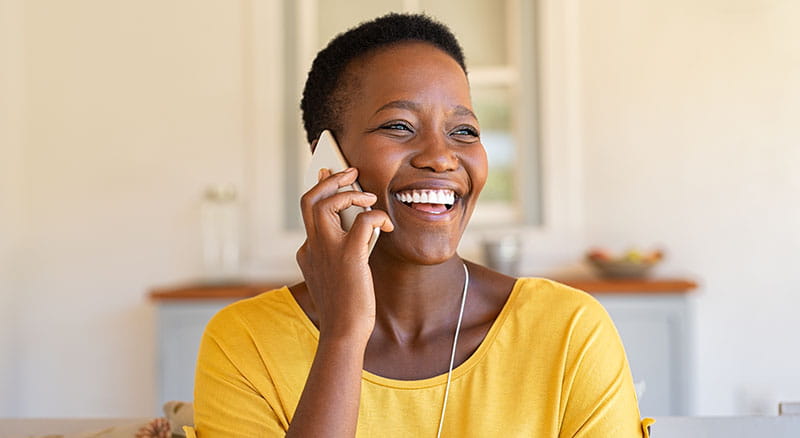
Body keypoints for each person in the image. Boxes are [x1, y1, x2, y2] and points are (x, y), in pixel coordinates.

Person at [190, 13, 649, 437]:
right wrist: (344, 336)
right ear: (328, 157)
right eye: (398, 126)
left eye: (464, 131)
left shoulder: (568, 330)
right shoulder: (245, 342)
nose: (441, 157)